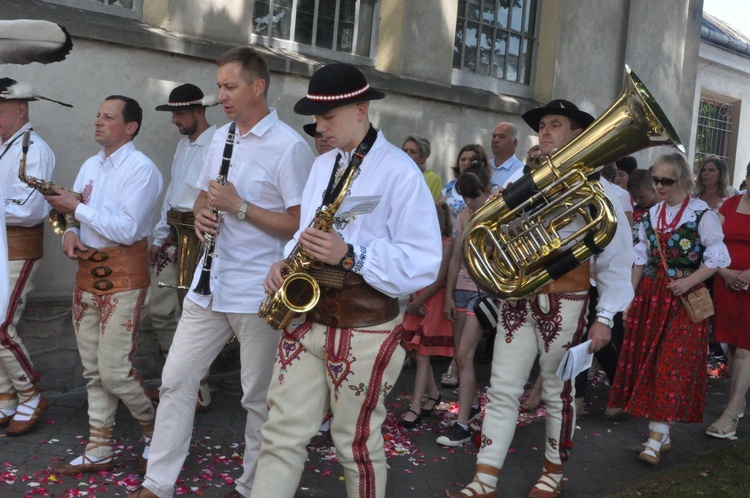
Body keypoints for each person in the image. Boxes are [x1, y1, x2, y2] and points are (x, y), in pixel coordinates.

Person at [128, 47, 314, 498]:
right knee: (175, 381)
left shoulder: (289, 146)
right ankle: (158, 482)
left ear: (258, 86)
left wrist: (242, 208)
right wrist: (204, 213)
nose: (221, 96)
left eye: (230, 87)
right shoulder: (219, 138)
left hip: (257, 291)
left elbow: (300, 223)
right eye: (220, 87)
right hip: (207, 285)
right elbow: (200, 198)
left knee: (257, 398)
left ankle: (253, 486)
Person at [250, 63, 441, 498]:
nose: (319, 128)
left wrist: (353, 254)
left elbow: (424, 262)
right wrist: (284, 262)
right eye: (316, 118)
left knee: (355, 443)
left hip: (366, 323)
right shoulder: (323, 167)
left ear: (361, 109)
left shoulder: (399, 172)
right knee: (280, 433)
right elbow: (304, 236)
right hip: (309, 315)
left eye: (327, 117)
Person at [446, 99, 634, 498]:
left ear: (578, 134)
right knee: (501, 387)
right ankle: (485, 478)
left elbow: (616, 264)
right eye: (542, 126)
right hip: (518, 299)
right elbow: (493, 238)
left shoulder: (603, 194)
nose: (545, 131)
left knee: (557, 390)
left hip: (567, 300)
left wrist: (604, 317)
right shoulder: (522, 185)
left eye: (555, 124)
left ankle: (553, 471)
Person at [45, 95, 163, 474]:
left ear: (130, 128)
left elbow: (127, 230)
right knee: (93, 369)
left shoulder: (143, 170)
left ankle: (155, 428)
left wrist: (74, 210)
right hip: (87, 274)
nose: (98, 122)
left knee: (114, 369)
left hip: (124, 276)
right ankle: (100, 446)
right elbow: (73, 216)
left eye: (108, 118)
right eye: (97, 115)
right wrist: (68, 232)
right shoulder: (89, 165)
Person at [607, 153, 730, 465]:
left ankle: (654, 438)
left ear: (683, 180)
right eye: (656, 179)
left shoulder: (702, 215)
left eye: (666, 180)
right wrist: (630, 297)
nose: (659, 186)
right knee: (651, 363)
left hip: (684, 302)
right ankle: (663, 434)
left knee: (671, 365)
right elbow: (640, 259)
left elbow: (716, 258)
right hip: (652, 298)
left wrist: (689, 282)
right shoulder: (651, 215)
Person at [148, 83, 217, 412]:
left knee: (193, 315)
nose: (174, 120)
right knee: (160, 311)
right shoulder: (183, 145)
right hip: (175, 232)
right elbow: (173, 191)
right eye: (173, 113)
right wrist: (160, 236)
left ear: (198, 112)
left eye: (179, 113)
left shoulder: (217, 141)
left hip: (198, 233)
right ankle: (177, 382)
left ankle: (196, 388)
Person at [0, 78, 55, 435]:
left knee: (2, 328)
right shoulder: (5, 145)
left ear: (21, 108)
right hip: (2, 243)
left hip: (18, 245)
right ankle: (5, 397)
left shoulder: (33, 148)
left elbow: (31, 208)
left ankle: (31, 392)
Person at [437, 164, 493, 446]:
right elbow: (456, 257)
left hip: (482, 291)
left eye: (474, 196)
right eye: (466, 197)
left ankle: (463, 425)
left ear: (486, 190)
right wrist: (448, 295)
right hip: (461, 288)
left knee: (464, 355)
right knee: (460, 358)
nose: (469, 202)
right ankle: (468, 407)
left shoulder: (495, 212)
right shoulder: (464, 214)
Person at [399, 202, 454, 427]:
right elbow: (410, 268)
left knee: (422, 353)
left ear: (441, 225)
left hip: (433, 298)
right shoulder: (419, 242)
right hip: (418, 297)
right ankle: (433, 394)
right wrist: (413, 297)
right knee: (413, 349)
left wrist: (419, 301)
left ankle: (415, 406)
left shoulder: (447, 244)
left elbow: (440, 279)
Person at [706, 163, 750, 439]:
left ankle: (731, 412)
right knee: (732, 345)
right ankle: (740, 398)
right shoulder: (730, 204)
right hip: (726, 283)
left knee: (746, 348)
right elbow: (711, 242)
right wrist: (723, 271)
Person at [440, 144, 491, 221]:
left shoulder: (491, 189)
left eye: (471, 160)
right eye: (463, 159)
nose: (466, 163)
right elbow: (437, 210)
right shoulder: (449, 188)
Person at [403, 135, 442, 201]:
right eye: (405, 151)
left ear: (424, 158)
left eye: (413, 152)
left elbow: (435, 207)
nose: (407, 154)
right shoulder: (395, 174)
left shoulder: (433, 179)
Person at [628, 169, 660, 246]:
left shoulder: (661, 211)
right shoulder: (635, 210)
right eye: (634, 197)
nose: (637, 201)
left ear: (653, 190)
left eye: (641, 197)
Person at [489, 122, 524, 188]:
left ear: (514, 143)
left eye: (502, 137)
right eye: (494, 136)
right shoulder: (483, 166)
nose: (495, 140)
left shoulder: (521, 171)